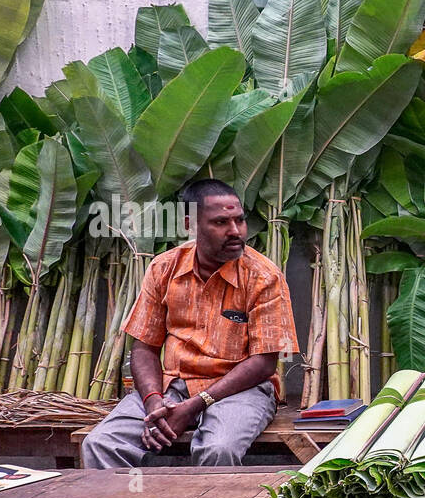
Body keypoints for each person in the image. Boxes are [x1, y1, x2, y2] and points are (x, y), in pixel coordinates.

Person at [81, 179, 298, 470]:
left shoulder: (264, 277)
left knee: (218, 449)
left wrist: (197, 404)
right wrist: (153, 402)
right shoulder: (163, 267)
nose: (235, 231)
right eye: (221, 222)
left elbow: (265, 363)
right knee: (101, 444)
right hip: (172, 386)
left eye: (239, 221)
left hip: (240, 390)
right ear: (190, 224)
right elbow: (143, 348)